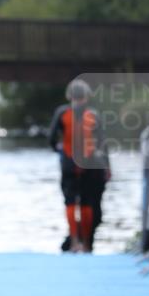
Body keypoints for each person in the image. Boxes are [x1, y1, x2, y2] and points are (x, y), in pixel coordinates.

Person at [48, 78, 111, 253]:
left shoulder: (62, 113)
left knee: (69, 202)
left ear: (70, 95)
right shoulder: (93, 114)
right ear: (86, 96)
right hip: (89, 163)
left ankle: (74, 242)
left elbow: (51, 138)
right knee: (86, 202)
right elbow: (103, 143)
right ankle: (87, 245)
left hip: (68, 162)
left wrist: (59, 150)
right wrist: (107, 167)